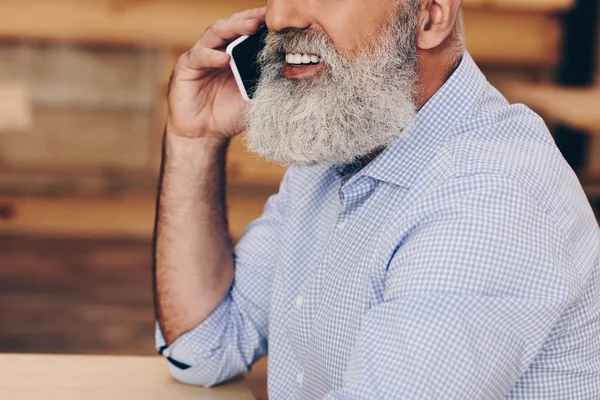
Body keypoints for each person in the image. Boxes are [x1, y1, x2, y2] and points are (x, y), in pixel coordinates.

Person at [153, 0, 600, 398]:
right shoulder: (342, 140)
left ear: (430, 16)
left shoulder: (491, 195)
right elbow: (206, 344)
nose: (279, 16)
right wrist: (194, 141)